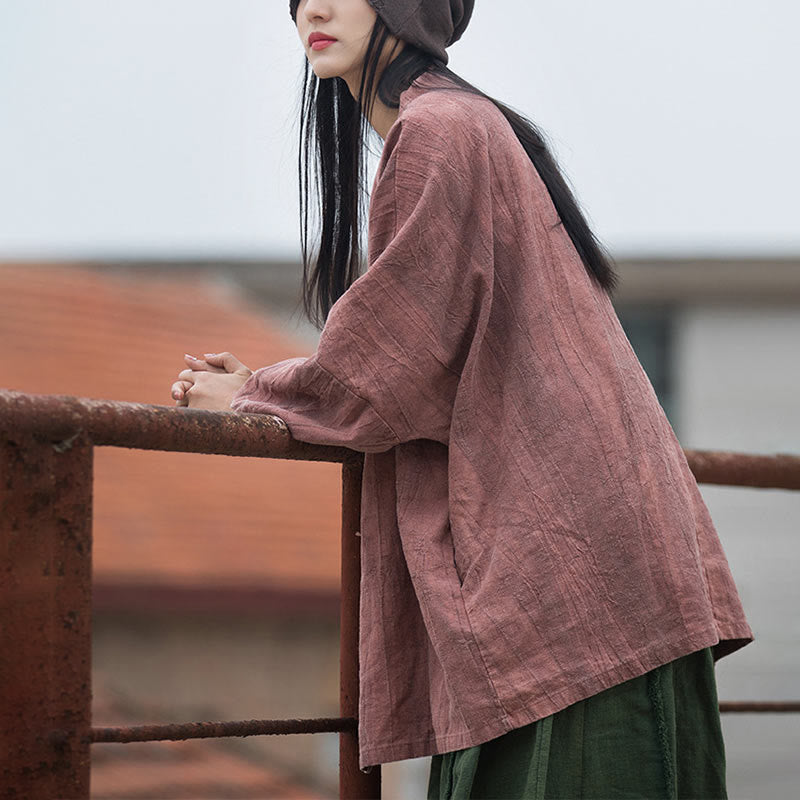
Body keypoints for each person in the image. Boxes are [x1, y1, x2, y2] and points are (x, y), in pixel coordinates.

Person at [171, 1, 755, 797]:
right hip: (602, 564)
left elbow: (388, 366)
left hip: (564, 580)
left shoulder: (438, 131)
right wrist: (270, 387)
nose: (312, 4)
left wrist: (254, 395)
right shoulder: (467, 121)